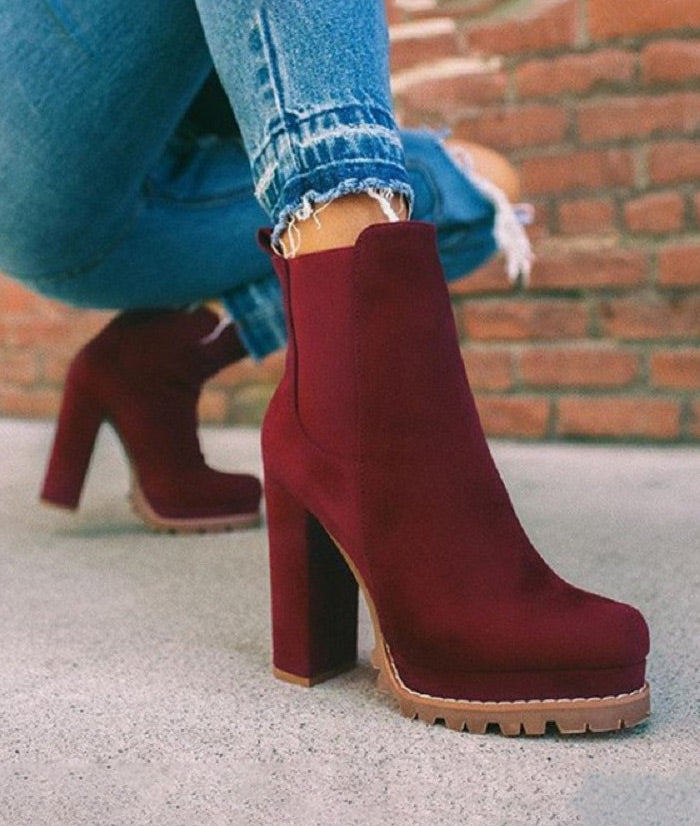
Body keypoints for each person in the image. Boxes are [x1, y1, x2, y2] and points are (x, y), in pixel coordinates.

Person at [0, 1, 649, 735]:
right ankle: (351, 444)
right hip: (40, 154)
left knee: (476, 198)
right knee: (420, 192)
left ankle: (157, 363)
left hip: (164, 197)